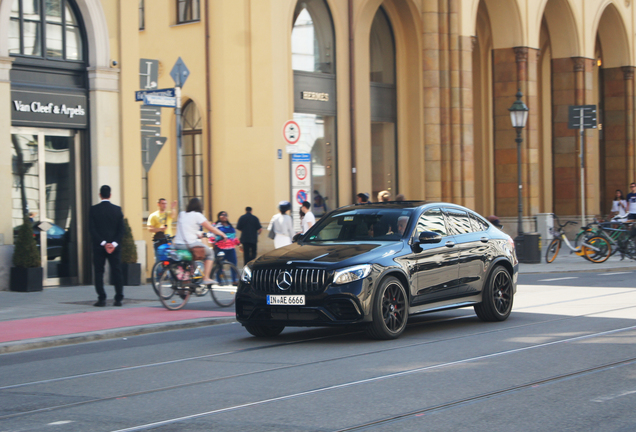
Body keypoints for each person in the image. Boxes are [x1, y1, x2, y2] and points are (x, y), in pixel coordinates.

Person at [173, 198, 227, 285]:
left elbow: (186, 228)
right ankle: (206, 278)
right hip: (189, 244)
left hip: (178, 244)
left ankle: (192, 278)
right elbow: (210, 228)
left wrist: (198, 234)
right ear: (199, 206)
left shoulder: (181, 214)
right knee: (210, 253)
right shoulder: (197, 215)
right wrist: (223, 234)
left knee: (193, 256)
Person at [89, 185, 125, 307]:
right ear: (110, 195)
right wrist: (113, 244)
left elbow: (92, 230)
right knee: (117, 271)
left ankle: (102, 298)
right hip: (114, 247)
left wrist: (104, 243)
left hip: (99, 246)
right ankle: (118, 299)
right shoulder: (117, 210)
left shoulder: (93, 210)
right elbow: (121, 230)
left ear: (100, 195)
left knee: (99, 272)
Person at [214, 211, 241, 284]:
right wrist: (216, 240)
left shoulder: (230, 226)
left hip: (231, 249)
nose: (224, 216)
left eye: (225, 215)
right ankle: (219, 281)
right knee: (219, 265)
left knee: (233, 264)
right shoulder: (216, 225)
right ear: (219, 216)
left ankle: (234, 281)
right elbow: (212, 235)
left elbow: (234, 237)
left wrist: (239, 244)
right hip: (220, 249)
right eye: (222, 215)